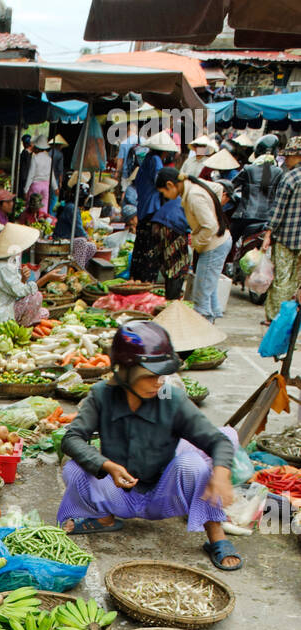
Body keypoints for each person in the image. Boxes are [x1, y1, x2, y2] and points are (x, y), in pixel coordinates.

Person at [57, 320, 241, 571]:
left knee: (194, 464)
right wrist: (107, 465)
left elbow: (217, 440)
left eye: (161, 375)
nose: (158, 382)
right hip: (118, 491)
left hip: (163, 495)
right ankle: (104, 519)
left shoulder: (170, 398)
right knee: (75, 468)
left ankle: (216, 535)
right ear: (125, 371)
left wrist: (221, 473)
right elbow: (71, 438)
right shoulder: (102, 395)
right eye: (151, 375)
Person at [155, 167, 230, 321]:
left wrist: (197, 243)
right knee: (209, 291)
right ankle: (211, 330)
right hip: (216, 242)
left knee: (201, 296)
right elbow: (217, 188)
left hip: (213, 245)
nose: (166, 197)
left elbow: (210, 226)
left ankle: (202, 338)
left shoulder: (194, 195)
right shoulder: (192, 185)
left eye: (164, 192)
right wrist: (213, 208)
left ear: (170, 185)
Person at [0, 222, 63, 328]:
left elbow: (15, 290)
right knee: (36, 297)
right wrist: (47, 278)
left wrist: (23, 278)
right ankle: (20, 330)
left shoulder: (10, 262)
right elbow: (21, 293)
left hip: (6, 305)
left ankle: (23, 325)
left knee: (44, 312)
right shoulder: (4, 266)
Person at [128, 130, 177, 281]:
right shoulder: (155, 160)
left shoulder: (147, 159)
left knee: (141, 247)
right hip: (152, 209)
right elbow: (160, 181)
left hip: (144, 208)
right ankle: (145, 282)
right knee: (150, 249)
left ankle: (136, 279)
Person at [261, 136, 301, 322]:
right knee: (296, 281)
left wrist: (268, 233)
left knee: (281, 280)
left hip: (286, 238)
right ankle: (291, 317)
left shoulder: (290, 178)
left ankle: (275, 317)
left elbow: (278, 210)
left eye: (290, 156)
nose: (287, 159)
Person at [231, 134, 283, 244]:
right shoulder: (279, 172)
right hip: (266, 219)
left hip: (245, 216)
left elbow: (231, 186)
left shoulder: (248, 169)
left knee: (228, 242)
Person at [150, 168, 190, 300]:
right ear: (169, 185)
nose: (165, 196)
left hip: (161, 224)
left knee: (168, 265)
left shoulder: (186, 193)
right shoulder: (188, 192)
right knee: (177, 267)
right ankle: (172, 304)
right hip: (171, 226)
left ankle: (170, 300)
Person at [23, 136, 54, 216]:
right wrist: (55, 187)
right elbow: (51, 174)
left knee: (32, 207)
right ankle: (42, 222)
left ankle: (30, 221)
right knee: (43, 208)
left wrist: (26, 190)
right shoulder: (49, 159)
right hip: (45, 185)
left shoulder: (35, 158)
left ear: (37, 148)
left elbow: (31, 175)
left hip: (36, 185)